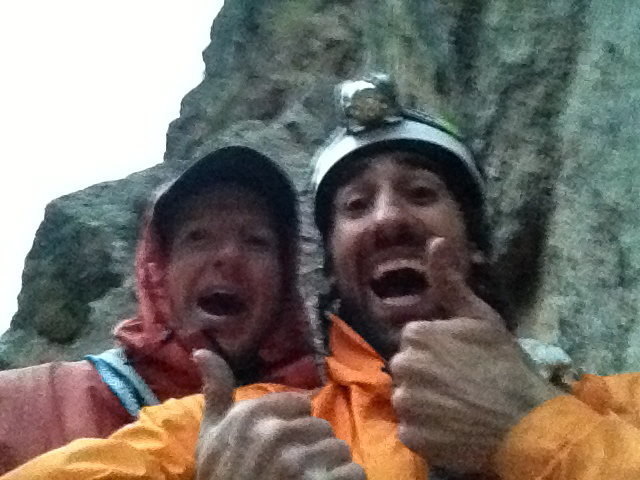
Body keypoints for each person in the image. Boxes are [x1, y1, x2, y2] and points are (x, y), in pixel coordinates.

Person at [6, 75, 640, 480]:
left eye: (420, 192)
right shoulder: (249, 430)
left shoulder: (616, 406)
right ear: (333, 266)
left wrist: (541, 432)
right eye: (356, 206)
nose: (389, 218)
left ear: (475, 244)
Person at [0, 146, 319, 474]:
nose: (229, 255)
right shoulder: (23, 405)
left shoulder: (327, 418)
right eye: (197, 237)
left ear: (285, 278)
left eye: (256, 241)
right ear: (159, 271)